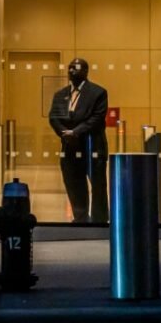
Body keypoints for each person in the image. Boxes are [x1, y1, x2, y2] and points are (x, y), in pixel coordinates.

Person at [49, 58, 108, 224]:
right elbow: (54, 117)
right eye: (69, 69)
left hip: (92, 147)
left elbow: (96, 119)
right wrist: (65, 134)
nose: (71, 72)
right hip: (69, 147)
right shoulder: (60, 95)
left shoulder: (98, 93)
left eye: (75, 68)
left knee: (98, 188)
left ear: (86, 71)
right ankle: (80, 219)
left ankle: (100, 222)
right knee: (74, 186)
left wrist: (75, 132)